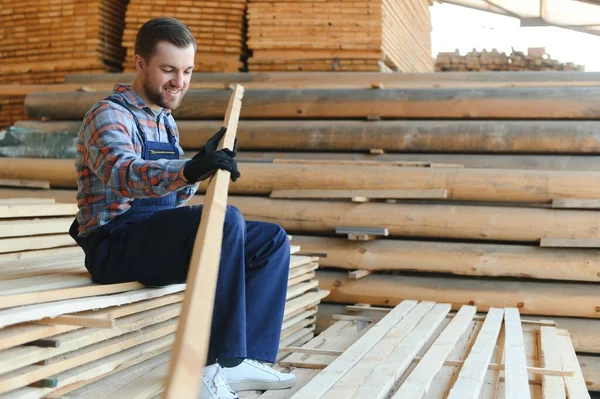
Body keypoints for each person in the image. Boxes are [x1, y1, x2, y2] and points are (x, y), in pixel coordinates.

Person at [68, 17, 295, 399]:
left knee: (270, 240)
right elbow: (122, 173)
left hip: (155, 235)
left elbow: (172, 200)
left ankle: (241, 363)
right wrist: (187, 168)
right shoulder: (108, 115)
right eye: (169, 69)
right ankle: (208, 368)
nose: (180, 82)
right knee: (225, 223)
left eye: (187, 71)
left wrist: (193, 174)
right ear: (140, 64)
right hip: (115, 243)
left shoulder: (164, 122)